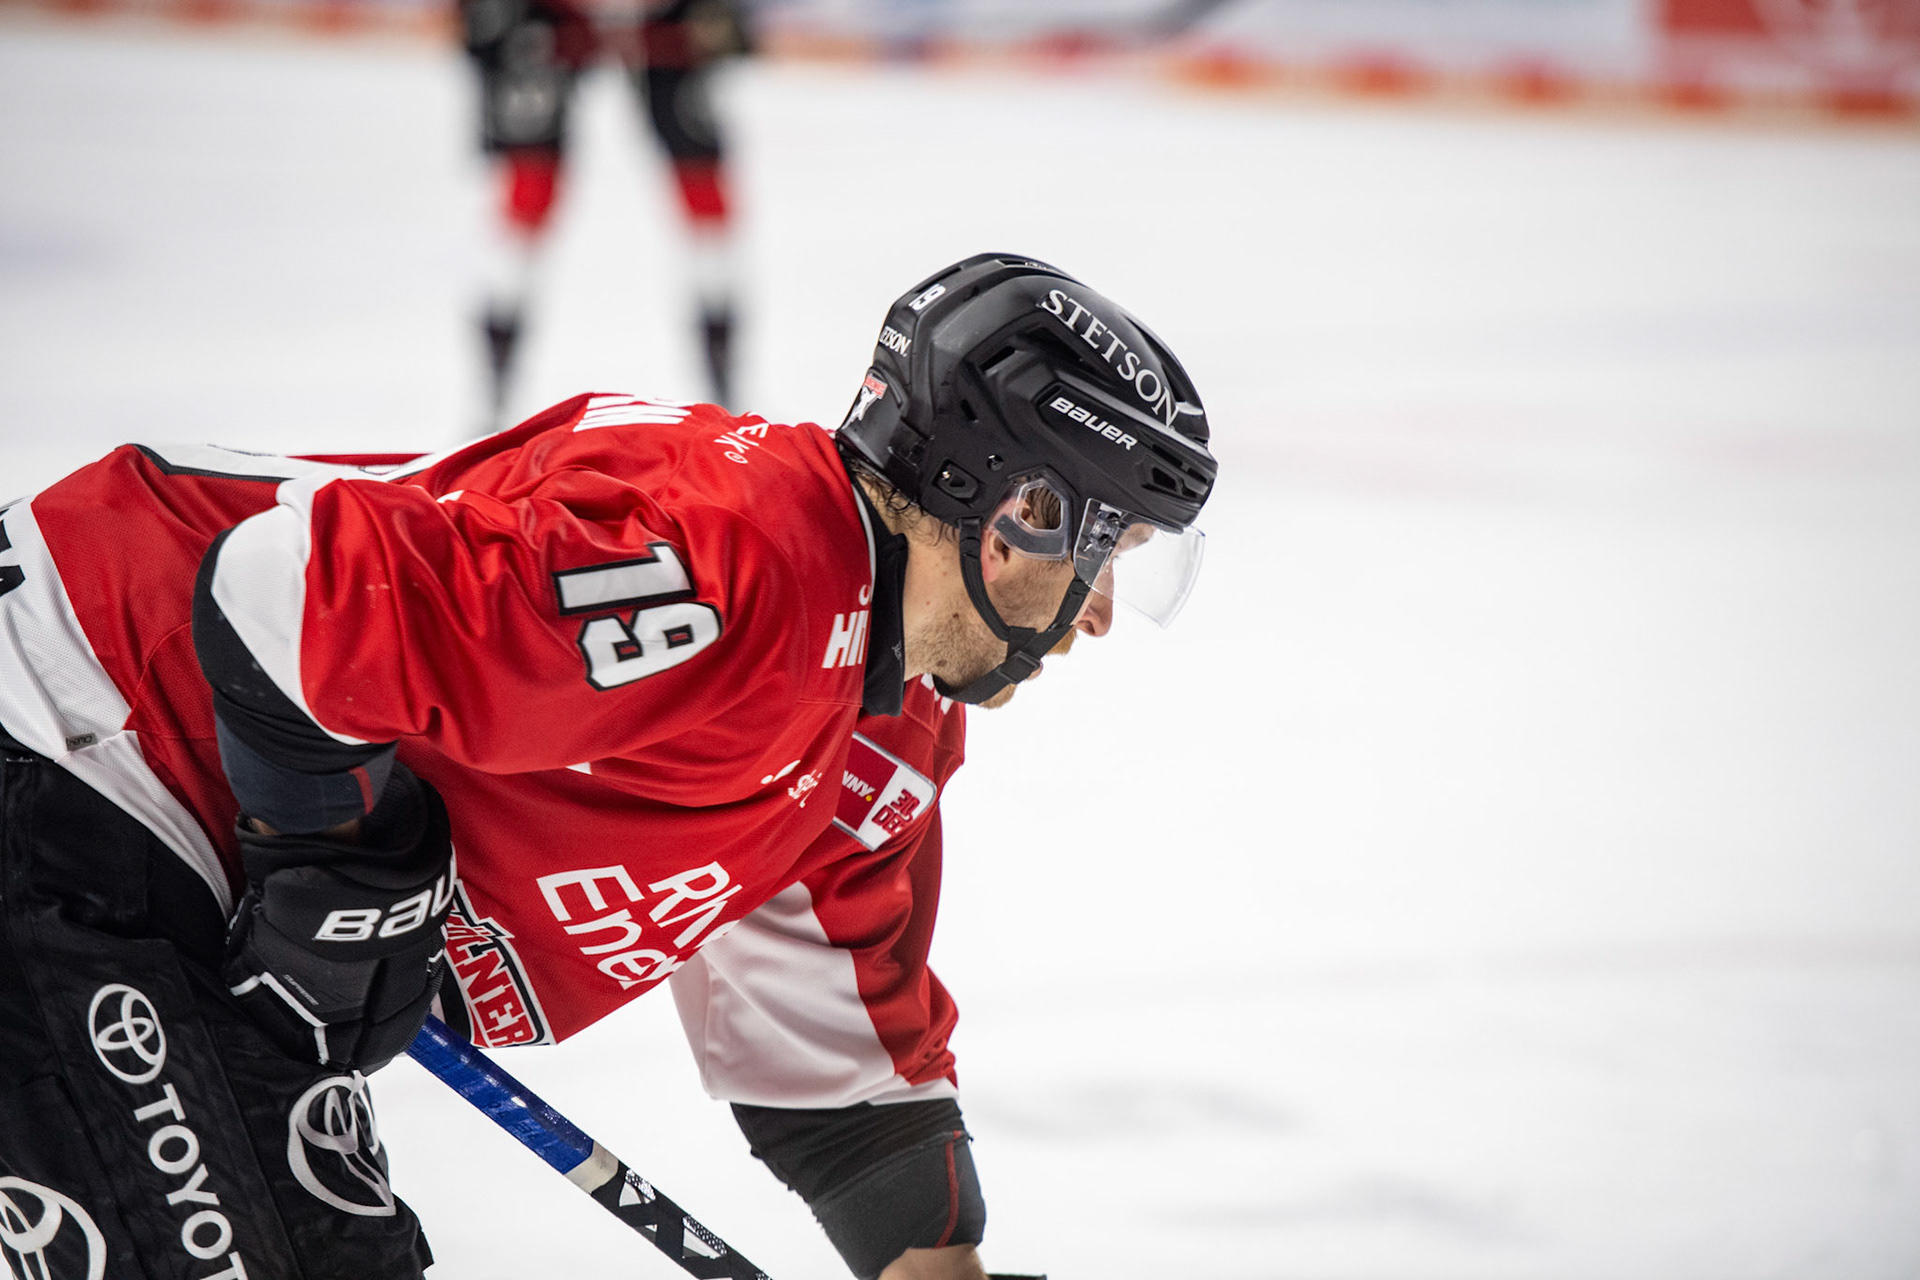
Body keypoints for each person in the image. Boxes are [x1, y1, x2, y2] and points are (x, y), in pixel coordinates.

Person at [0, 253, 1217, 1280]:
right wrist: (337, 864)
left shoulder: (882, 714)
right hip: (74, 727)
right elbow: (281, 598)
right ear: (1021, 512)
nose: (1100, 615)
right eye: (1111, 557)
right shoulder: (741, 569)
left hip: (163, 829)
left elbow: (841, 1082)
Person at [459, 0, 750, 424]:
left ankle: (727, 399)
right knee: (528, 194)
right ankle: (492, 403)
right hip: (547, 18)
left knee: (704, 196)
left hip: (661, 18)